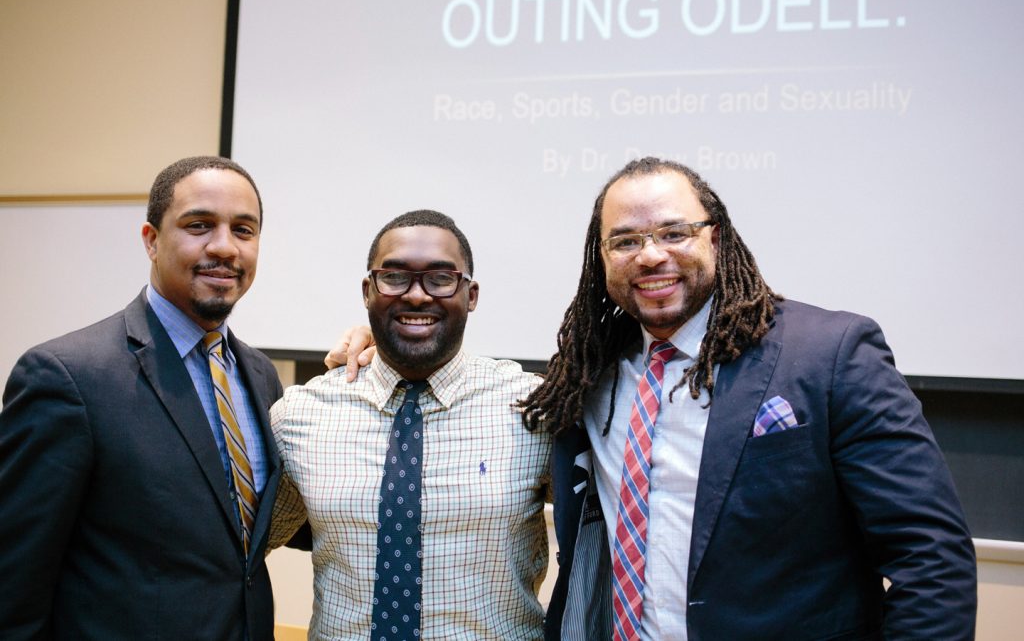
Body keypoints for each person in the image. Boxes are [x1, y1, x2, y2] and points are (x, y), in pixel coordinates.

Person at [515, 157, 977, 640]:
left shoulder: (830, 353)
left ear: (715, 238)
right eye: (626, 241)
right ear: (602, 257)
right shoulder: (588, 375)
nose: (650, 256)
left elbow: (931, 557)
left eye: (674, 233)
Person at [0, 156, 283, 640]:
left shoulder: (259, 376)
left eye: (243, 230)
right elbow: (13, 581)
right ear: (151, 240)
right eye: (199, 225)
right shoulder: (67, 376)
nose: (224, 247)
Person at [269, 209, 551, 639]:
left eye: (440, 278)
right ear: (368, 291)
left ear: (470, 295)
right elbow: (240, 550)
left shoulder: (534, 410)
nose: (417, 296)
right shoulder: (300, 416)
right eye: (395, 277)